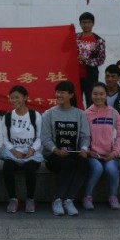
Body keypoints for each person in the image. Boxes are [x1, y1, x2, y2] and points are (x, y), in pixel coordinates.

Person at [41, 80, 91, 216]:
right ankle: (57, 199)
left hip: (73, 152)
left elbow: (85, 136)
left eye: (62, 92)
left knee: (84, 163)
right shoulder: (49, 114)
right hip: (53, 155)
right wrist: (56, 150)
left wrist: (84, 148)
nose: (59, 95)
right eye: (57, 92)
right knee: (68, 164)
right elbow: (45, 138)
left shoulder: (80, 114)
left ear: (71, 95)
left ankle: (69, 199)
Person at [83, 82, 120, 210]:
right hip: (93, 155)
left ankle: (113, 196)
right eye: (95, 94)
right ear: (91, 95)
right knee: (97, 169)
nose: (98, 97)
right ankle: (87, 196)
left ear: (106, 95)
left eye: (101, 94)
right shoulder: (86, 114)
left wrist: (114, 153)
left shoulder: (113, 113)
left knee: (111, 169)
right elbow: (83, 136)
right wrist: (88, 151)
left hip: (110, 154)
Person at [0, 85, 43, 214]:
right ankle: (13, 199)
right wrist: (13, 150)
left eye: (17, 97)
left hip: (31, 153)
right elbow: (5, 139)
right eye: (11, 98)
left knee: (30, 168)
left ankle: (30, 199)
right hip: (13, 153)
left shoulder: (34, 115)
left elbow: (39, 137)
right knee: (7, 166)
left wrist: (32, 149)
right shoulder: (7, 117)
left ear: (25, 98)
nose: (14, 100)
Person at [76, 12, 106, 108]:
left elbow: (101, 59)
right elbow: (64, 49)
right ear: (80, 24)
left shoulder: (99, 41)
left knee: (91, 100)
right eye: (84, 22)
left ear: (93, 23)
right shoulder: (74, 37)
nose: (86, 25)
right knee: (75, 101)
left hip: (90, 76)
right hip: (75, 75)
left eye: (89, 22)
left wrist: (86, 60)